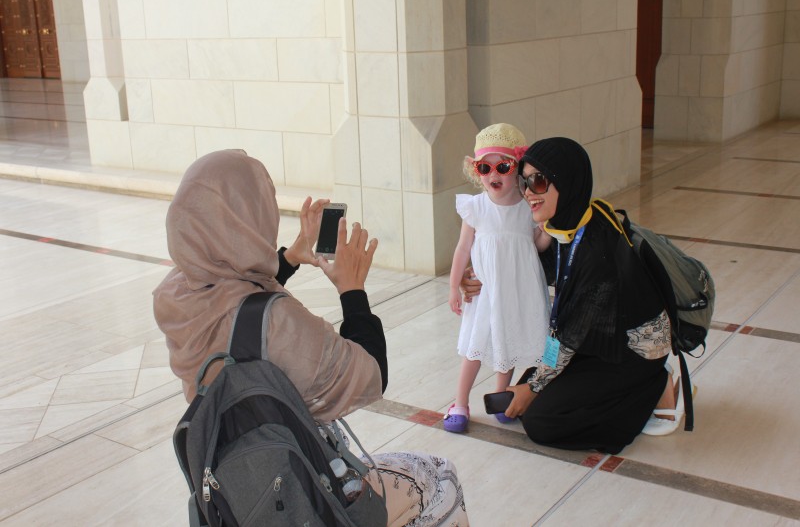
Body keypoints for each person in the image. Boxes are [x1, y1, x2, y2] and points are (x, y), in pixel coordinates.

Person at [153, 149, 469, 526]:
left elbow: (240, 321)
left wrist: (288, 257)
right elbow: (370, 376)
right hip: (300, 486)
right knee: (439, 476)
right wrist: (352, 290)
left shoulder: (172, 294)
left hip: (234, 485)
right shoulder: (278, 323)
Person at [462, 137, 682, 454]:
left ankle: (656, 387)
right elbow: (529, 280)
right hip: (600, 337)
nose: (527, 193)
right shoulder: (571, 223)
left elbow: (568, 336)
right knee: (531, 383)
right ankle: (636, 387)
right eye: (525, 181)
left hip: (632, 352)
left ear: (566, 181)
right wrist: (472, 277)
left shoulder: (597, 251)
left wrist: (533, 388)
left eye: (538, 181)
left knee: (542, 421)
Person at [444, 123, 551, 434]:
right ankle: (460, 403)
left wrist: (546, 228)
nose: (493, 175)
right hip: (487, 293)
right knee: (474, 350)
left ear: (517, 169)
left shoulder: (526, 205)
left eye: (502, 167)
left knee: (508, 347)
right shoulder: (476, 207)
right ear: (476, 171)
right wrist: (453, 286)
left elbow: (534, 246)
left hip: (518, 291)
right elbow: (462, 248)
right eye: (484, 167)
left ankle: (501, 400)